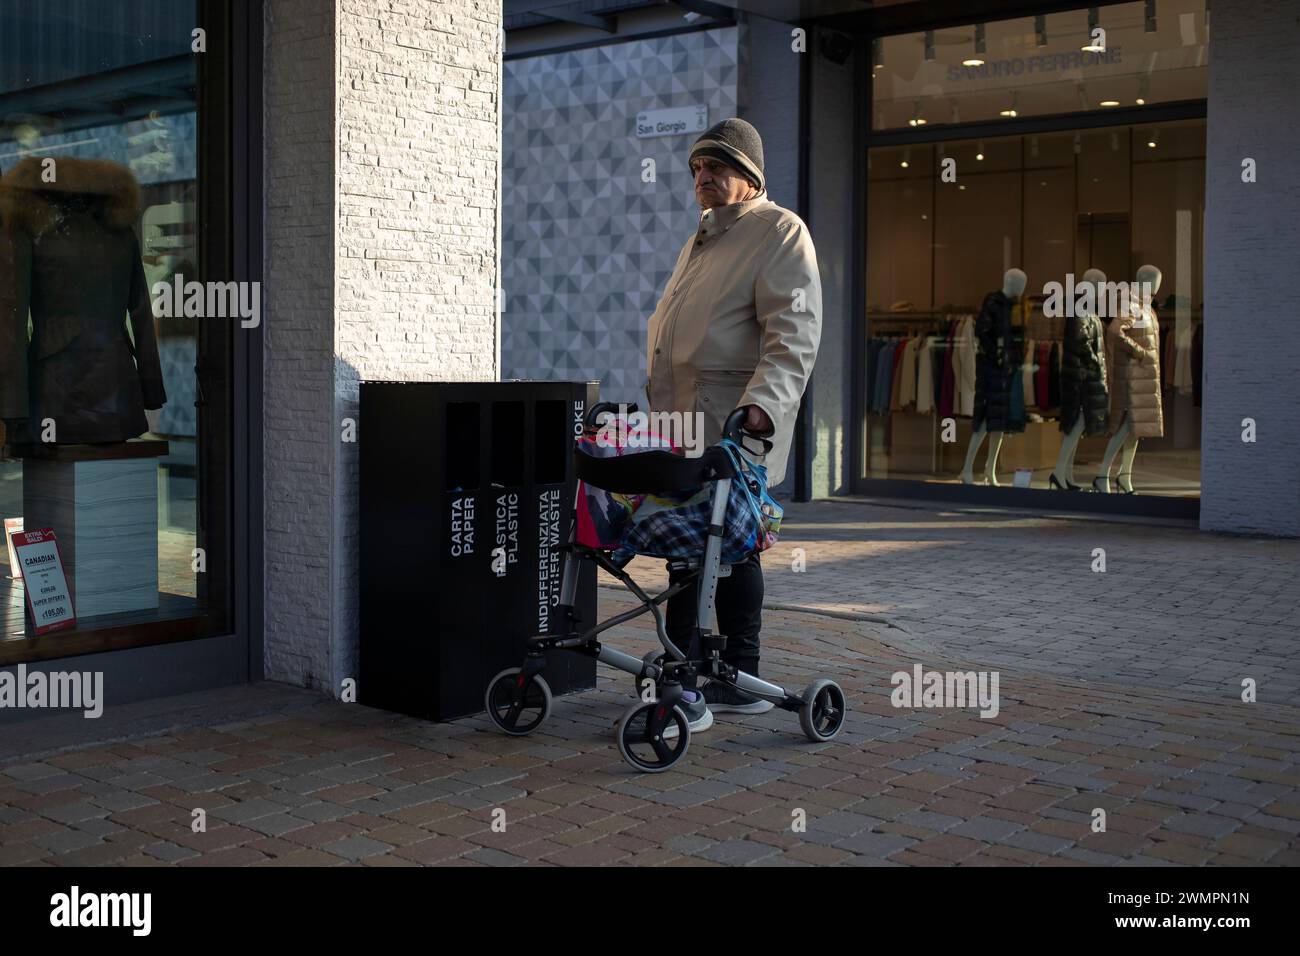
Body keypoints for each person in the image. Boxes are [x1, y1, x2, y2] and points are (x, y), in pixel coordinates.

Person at [644, 118, 823, 733]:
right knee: (686, 547)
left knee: (733, 546)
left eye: (716, 167)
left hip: (733, 426)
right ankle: (687, 667)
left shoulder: (778, 232)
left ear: (750, 176)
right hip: (681, 423)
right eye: (696, 168)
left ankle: (737, 674)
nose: (703, 178)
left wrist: (760, 410)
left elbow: (794, 335)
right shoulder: (701, 240)